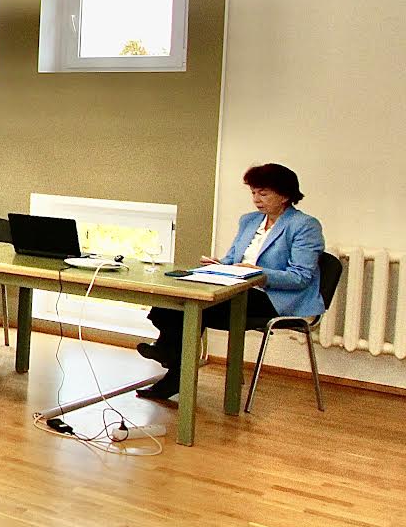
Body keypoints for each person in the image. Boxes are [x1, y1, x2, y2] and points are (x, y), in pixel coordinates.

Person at [135, 164, 324, 402]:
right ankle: (171, 359)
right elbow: (234, 259)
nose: (256, 199)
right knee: (175, 299)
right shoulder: (249, 221)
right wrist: (218, 265)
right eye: (254, 193)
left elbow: (300, 277)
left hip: (273, 297)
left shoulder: (304, 226)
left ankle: (171, 360)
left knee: (193, 308)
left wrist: (258, 272)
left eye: (263, 194)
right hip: (238, 288)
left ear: (285, 196)